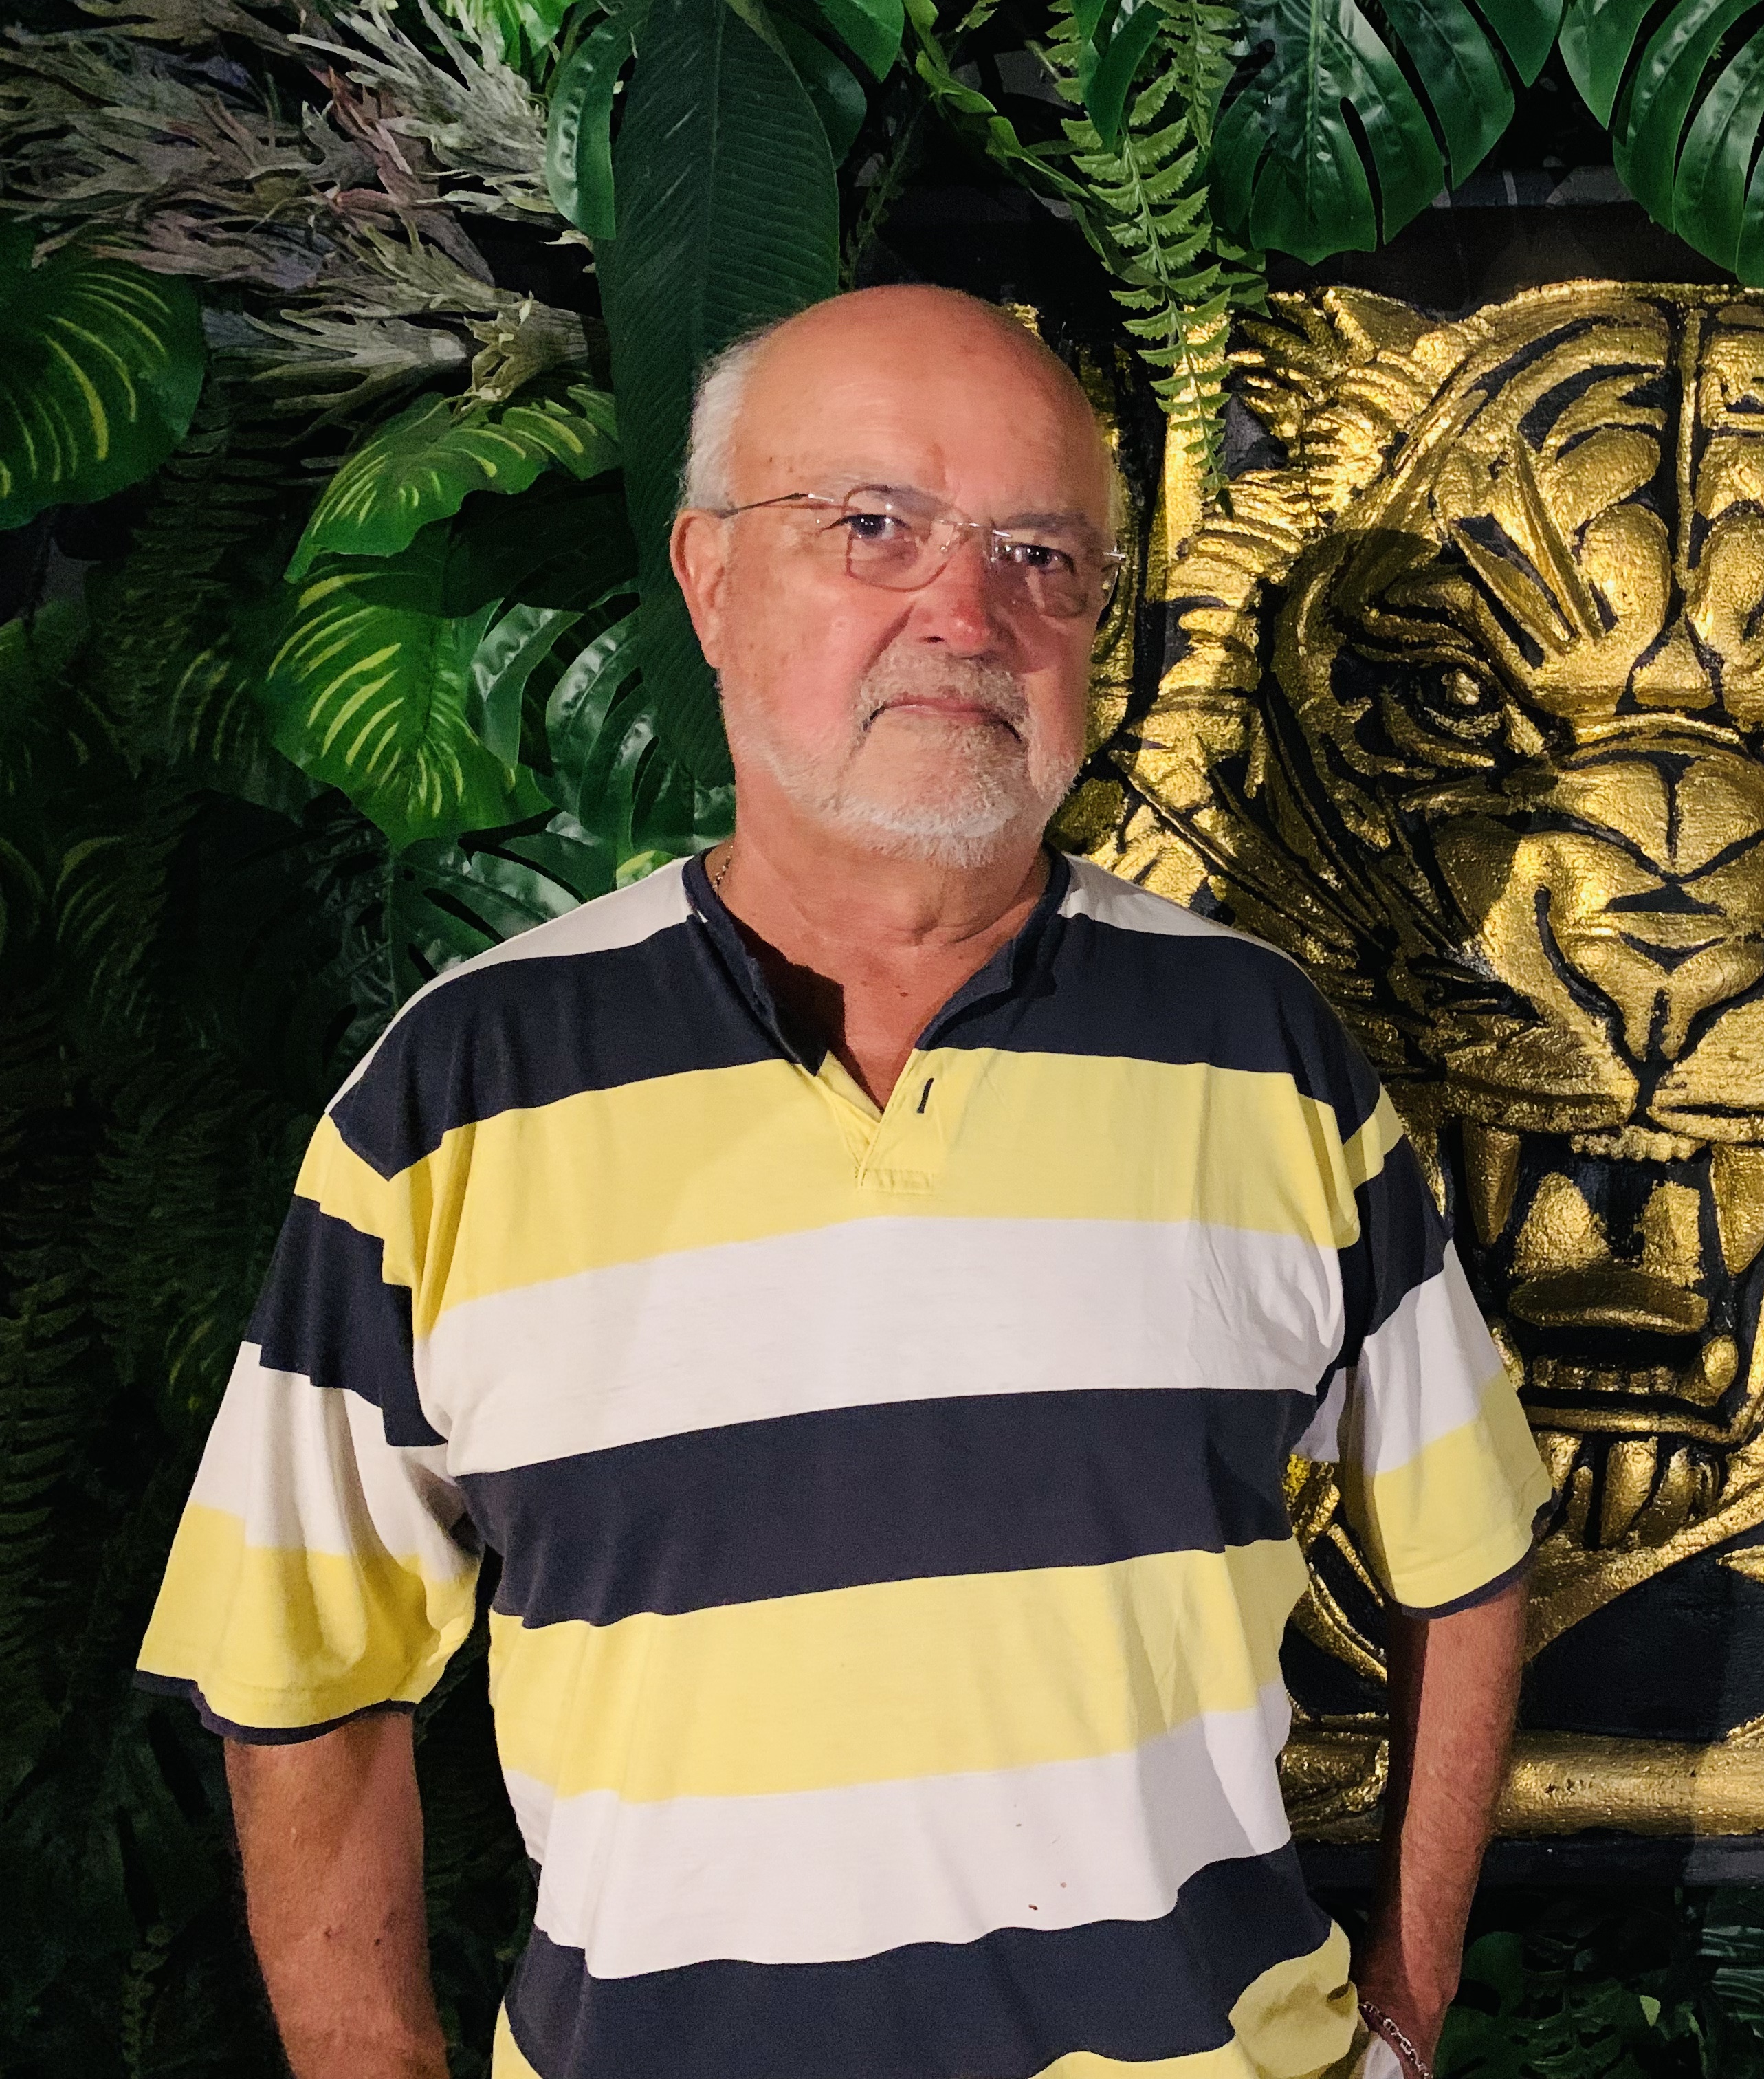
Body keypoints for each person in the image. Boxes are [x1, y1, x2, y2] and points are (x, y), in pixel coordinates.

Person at [133, 285, 1552, 2079]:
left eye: (1042, 555)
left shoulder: (1260, 1053)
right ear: (711, 579)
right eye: (874, 525)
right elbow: (300, 1673)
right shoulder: (457, 1091)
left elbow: (1467, 1549)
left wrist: (1406, 2018)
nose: (966, 614)